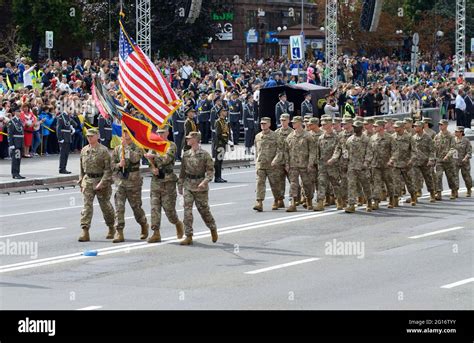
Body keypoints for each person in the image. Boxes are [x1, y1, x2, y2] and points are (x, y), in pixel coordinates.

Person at [144, 127, 184, 243]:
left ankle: (177, 223)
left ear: (167, 133)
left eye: (163, 133)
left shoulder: (171, 145)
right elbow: (149, 163)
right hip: (156, 181)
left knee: (169, 209)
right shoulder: (154, 146)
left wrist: (154, 157)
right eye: (159, 133)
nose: (160, 135)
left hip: (168, 181)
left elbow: (167, 159)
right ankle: (156, 233)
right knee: (154, 208)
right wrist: (152, 169)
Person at [178, 131, 218, 246]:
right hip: (188, 185)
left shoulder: (205, 154)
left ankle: (212, 227)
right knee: (187, 211)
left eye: (189, 138)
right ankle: (188, 235)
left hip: (201, 187)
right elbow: (182, 172)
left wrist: (205, 182)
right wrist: (180, 185)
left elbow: (210, 172)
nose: (187, 140)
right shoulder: (186, 154)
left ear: (195, 139)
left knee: (204, 211)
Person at [111, 129, 149, 243]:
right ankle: (119, 231)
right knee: (119, 208)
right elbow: (111, 164)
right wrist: (119, 164)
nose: (125, 135)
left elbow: (136, 158)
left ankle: (143, 224)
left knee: (136, 208)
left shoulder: (137, 147)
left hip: (133, 183)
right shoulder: (117, 149)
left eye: (127, 132)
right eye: (123, 132)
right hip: (120, 182)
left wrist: (126, 148)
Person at [78, 128, 115, 242]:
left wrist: (102, 182)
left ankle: (111, 227)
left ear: (97, 136)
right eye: (88, 136)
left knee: (105, 206)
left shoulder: (103, 151)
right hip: (88, 180)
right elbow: (81, 168)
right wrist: (81, 182)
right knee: (87, 206)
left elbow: (109, 170)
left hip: (101, 181)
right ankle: (85, 230)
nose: (89, 138)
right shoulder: (84, 150)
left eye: (92, 136)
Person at [331, 121, 372, 213]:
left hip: (362, 167)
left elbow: (369, 152)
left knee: (366, 185)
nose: (355, 128)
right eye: (354, 127)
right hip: (352, 166)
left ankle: (369, 201)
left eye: (357, 127)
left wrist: (366, 163)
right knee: (351, 185)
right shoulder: (350, 139)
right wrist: (345, 163)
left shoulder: (366, 139)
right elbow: (346, 152)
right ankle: (351, 204)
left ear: (361, 128)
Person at [285, 116, 316, 212]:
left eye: (295, 122)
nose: (293, 124)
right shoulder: (290, 136)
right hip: (293, 165)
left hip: (304, 164)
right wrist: (286, 163)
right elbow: (286, 151)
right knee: (293, 184)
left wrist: (310, 163)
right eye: (293, 122)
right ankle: (292, 203)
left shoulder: (307, 136)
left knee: (307, 184)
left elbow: (312, 151)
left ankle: (309, 200)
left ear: (300, 123)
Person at [253, 117, 285, 212]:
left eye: (265, 123)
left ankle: (277, 199)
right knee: (259, 183)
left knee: (275, 184)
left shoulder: (276, 136)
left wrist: (275, 160)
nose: (263, 125)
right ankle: (259, 202)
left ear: (269, 124)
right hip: (261, 164)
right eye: (262, 123)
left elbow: (280, 150)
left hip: (272, 165)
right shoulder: (257, 136)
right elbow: (256, 150)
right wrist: (256, 161)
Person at [388, 121, 417, 207]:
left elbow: (414, 151)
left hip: (406, 164)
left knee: (409, 182)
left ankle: (413, 197)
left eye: (397, 127)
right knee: (395, 182)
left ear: (401, 128)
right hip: (396, 164)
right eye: (394, 127)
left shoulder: (409, 137)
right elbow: (390, 150)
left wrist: (411, 160)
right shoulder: (392, 137)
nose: (395, 129)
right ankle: (395, 200)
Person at [367, 120, 395, 209]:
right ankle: (376, 201)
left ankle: (391, 199)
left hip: (386, 165)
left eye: (376, 126)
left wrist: (392, 160)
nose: (374, 127)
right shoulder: (372, 138)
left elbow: (395, 150)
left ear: (382, 127)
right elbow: (370, 151)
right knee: (376, 183)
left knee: (389, 183)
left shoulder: (389, 137)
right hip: (375, 165)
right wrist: (368, 161)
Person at [409, 121, 436, 203]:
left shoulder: (427, 138)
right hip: (415, 162)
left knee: (428, 178)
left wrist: (431, 160)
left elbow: (432, 150)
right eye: (414, 126)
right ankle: (415, 195)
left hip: (425, 162)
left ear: (421, 127)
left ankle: (432, 194)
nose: (415, 128)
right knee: (414, 179)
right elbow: (410, 150)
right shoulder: (413, 138)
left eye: (417, 126)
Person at [433, 119, 458, 200]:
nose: (440, 126)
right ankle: (439, 193)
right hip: (439, 160)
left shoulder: (451, 136)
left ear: (446, 125)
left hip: (449, 161)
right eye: (439, 125)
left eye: (442, 124)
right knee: (438, 176)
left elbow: (453, 148)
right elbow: (433, 148)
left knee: (450, 177)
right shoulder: (437, 136)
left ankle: (453, 191)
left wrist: (447, 156)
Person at [214, 107, 231, 183]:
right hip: (219, 143)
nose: (226, 112)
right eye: (224, 111)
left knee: (220, 161)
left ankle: (219, 176)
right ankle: (217, 177)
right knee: (218, 161)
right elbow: (218, 134)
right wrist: (226, 140)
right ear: (220, 113)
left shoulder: (225, 121)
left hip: (223, 143)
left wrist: (228, 140)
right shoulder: (218, 122)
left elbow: (227, 132)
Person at [453, 126, 472, 197]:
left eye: (456, 132)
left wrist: (466, 158)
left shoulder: (466, 141)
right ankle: (455, 191)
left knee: (466, 177)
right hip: (455, 161)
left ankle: (469, 189)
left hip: (464, 162)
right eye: (455, 131)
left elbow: (469, 152)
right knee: (455, 177)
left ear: (461, 132)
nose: (455, 133)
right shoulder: (453, 140)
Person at [7, 107, 25, 179]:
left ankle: (17, 172)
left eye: (20, 112)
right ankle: (15, 173)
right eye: (18, 112)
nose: (20, 113)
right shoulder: (12, 122)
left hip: (20, 142)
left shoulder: (19, 121)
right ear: (15, 112)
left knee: (18, 158)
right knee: (15, 159)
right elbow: (10, 134)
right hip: (15, 142)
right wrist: (11, 144)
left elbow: (21, 132)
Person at [56, 108, 74, 174]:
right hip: (63, 137)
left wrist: (72, 128)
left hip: (68, 137)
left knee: (66, 154)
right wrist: (60, 138)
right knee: (63, 154)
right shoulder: (61, 117)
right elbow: (58, 128)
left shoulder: (67, 116)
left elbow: (74, 124)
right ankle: (61, 168)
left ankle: (64, 168)